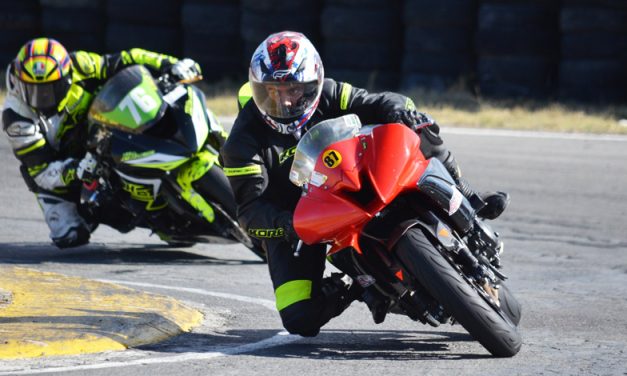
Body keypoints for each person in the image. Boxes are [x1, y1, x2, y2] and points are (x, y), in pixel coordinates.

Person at [221, 31, 509, 337]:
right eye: (272, 92)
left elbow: (381, 101)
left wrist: (404, 114)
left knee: (419, 130)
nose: (285, 100)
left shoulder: (331, 92)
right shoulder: (240, 143)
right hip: (304, 216)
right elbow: (250, 211)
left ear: (314, 82)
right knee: (299, 317)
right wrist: (290, 225)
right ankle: (360, 284)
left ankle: (468, 195)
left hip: (356, 172)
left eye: (294, 89)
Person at [1, 37, 215, 249]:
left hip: (103, 127)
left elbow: (126, 59)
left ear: (67, 76)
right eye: (34, 90)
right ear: (21, 83)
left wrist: (169, 64)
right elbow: (41, 172)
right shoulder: (17, 119)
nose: (43, 98)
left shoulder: (80, 65)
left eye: (50, 88)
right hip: (65, 163)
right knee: (71, 235)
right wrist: (75, 171)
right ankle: (150, 217)